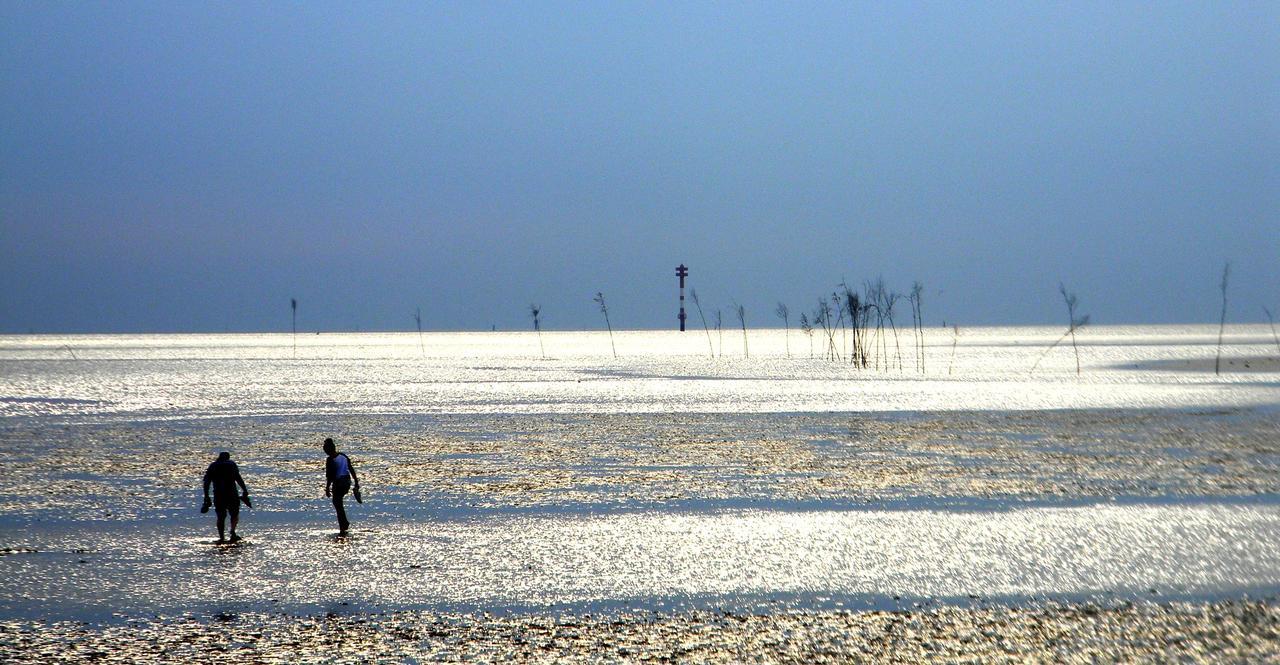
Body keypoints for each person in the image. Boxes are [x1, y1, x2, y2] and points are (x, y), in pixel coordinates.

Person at [202, 451, 249, 543]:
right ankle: (232, 532)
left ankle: (222, 537)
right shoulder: (231, 465)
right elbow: (238, 478)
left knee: (221, 516)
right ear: (228, 457)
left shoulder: (213, 466)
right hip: (232, 493)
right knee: (234, 514)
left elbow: (207, 482)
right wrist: (244, 490)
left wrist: (206, 496)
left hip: (219, 494)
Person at [323, 438, 361, 534]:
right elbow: (351, 468)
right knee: (339, 503)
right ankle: (344, 524)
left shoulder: (330, 460)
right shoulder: (343, 456)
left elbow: (330, 476)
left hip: (338, 483)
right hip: (347, 482)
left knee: (337, 504)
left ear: (328, 450)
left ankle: (343, 526)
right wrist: (356, 481)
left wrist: (327, 488)